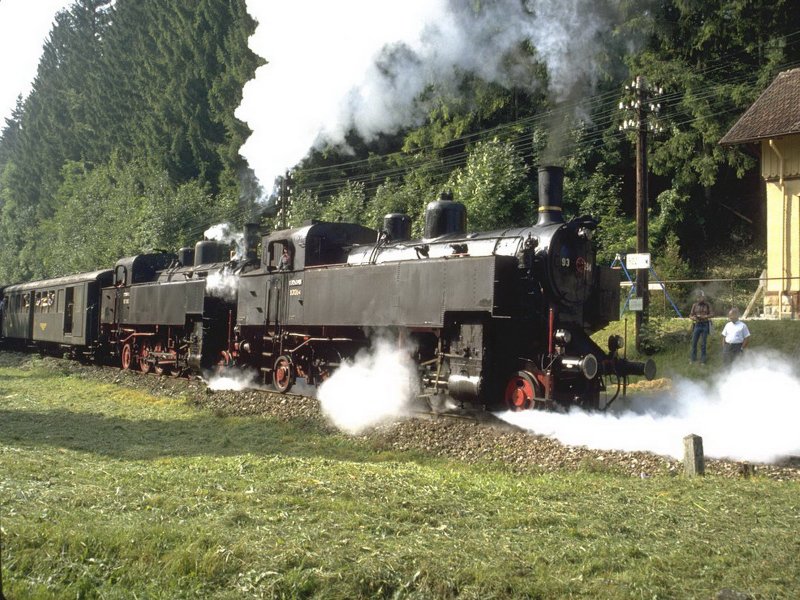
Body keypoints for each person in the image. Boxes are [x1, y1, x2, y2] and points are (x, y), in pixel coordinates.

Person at [688, 290, 713, 364]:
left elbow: (712, 314)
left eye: (700, 297)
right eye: (697, 297)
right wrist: (693, 318)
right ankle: (693, 359)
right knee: (694, 342)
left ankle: (703, 360)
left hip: (705, 325)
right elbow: (690, 315)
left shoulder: (707, 305)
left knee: (703, 343)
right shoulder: (694, 305)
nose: (698, 299)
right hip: (697, 325)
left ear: (703, 297)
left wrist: (705, 316)